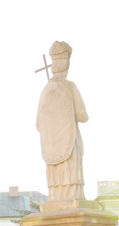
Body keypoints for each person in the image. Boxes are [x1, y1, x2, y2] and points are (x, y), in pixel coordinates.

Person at [36, 40, 89, 202]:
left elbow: (38, 124)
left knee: (56, 174)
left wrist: (53, 131)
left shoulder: (45, 91)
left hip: (51, 144)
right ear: (67, 66)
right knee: (71, 170)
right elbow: (83, 116)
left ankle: (56, 198)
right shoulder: (70, 86)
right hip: (70, 142)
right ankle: (74, 197)